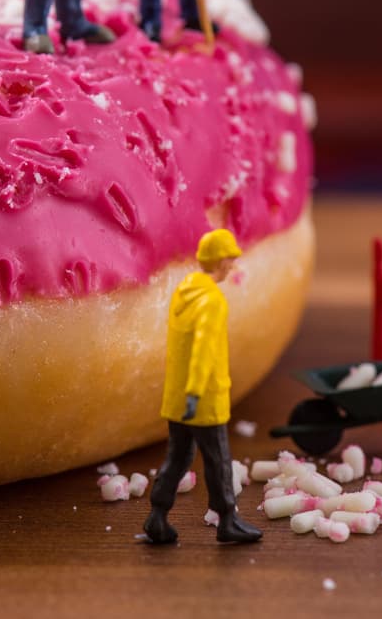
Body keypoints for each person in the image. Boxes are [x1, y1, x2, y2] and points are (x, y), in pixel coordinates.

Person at [143, 228, 262, 545]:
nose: (232, 266)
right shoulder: (211, 300)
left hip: (176, 396)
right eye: (230, 259)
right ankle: (227, 520)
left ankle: (157, 515)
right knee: (218, 460)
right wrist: (196, 393)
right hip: (203, 398)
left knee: (178, 458)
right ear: (221, 262)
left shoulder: (184, 291)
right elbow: (202, 351)